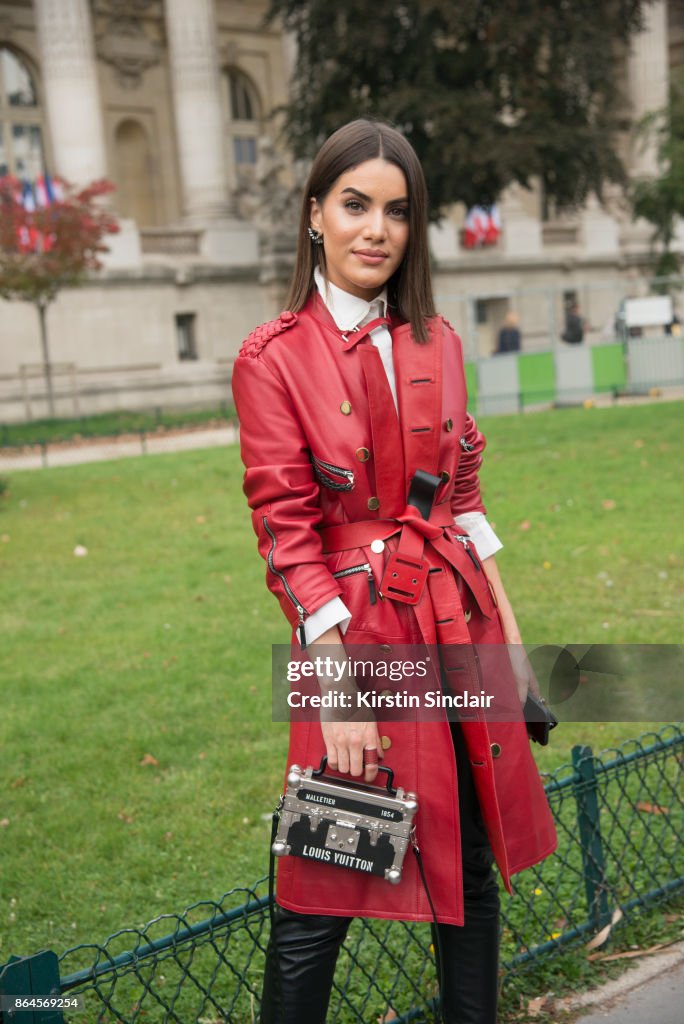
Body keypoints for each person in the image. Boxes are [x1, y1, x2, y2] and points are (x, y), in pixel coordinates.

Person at [232, 119, 557, 1024]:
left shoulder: (437, 342)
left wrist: (516, 648)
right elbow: (286, 536)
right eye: (356, 204)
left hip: (459, 623)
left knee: (471, 875)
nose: (377, 228)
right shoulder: (272, 357)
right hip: (355, 640)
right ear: (316, 216)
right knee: (318, 892)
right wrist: (335, 692)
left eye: (398, 211)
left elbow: (461, 500)